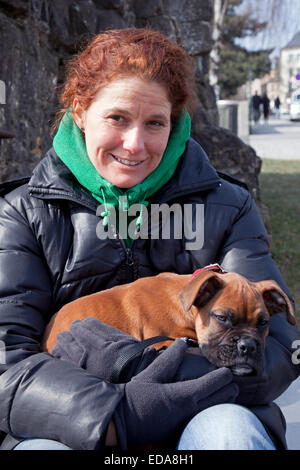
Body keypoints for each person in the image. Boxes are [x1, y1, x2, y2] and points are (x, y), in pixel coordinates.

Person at [0, 28, 299, 451]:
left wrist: (164, 377)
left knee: (229, 433)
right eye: (117, 118)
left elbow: (285, 347)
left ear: (175, 123)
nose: (135, 144)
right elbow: (6, 362)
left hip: (208, 408)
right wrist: (119, 412)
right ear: (81, 112)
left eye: (155, 123)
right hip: (73, 423)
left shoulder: (228, 206)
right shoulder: (22, 211)